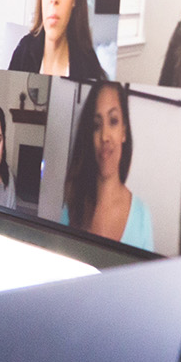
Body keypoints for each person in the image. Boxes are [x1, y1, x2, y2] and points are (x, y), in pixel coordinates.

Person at [59, 82, 154, 249]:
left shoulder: (141, 217)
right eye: (97, 126)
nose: (104, 136)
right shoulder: (72, 209)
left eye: (113, 121)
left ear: (124, 131)